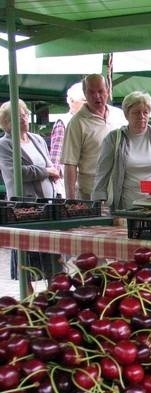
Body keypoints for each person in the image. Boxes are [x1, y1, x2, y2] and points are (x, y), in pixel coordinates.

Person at [92, 91, 151, 212]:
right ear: (127, 114)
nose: (141, 116)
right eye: (136, 112)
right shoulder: (114, 138)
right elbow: (103, 171)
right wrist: (99, 200)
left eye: (145, 112)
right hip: (126, 205)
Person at [0, 99, 63, 283]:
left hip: (49, 207)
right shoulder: (4, 145)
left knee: (52, 261)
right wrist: (45, 171)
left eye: (25, 114)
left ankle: (53, 300)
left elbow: (50, 164)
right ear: (7, 122)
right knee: (28, 263)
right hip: (25, 210)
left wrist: (51, 171)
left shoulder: (37, 139)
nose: (24, 118)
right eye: (18, 116)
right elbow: (16, 172)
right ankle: (29, 303)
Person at [61, 74, 126, 200]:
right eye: (91, 92)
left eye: (100, 91)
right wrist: (70, 200)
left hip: (120, 191)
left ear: (108, 91)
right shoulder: (77, 123)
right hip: (91, 194)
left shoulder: (119, 115)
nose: (97, 96)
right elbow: (70, 164)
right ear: (85, 94)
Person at [49, 82, 86, 196]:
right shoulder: (63, 122)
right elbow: (55, 160)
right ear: (71, 101)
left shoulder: (89, 120)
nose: (87, 103)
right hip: (69, 185)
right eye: (84, 100)